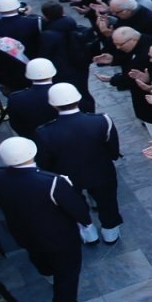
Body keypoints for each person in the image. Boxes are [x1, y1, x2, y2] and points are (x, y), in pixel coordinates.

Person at [0, 137, 92, 302]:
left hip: (21, 230)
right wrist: (85, 221)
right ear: (32, 153)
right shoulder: (52, 182)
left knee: (37, 255)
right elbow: (77, 208)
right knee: (68, 270)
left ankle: (47, 274)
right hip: (59, 237)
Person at [34, 83, 122, 245]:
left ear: (53, 104)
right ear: (79, 99)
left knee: (76, 204)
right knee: (107, 201)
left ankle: (89, 233)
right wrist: (110, 157)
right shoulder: (102, 120)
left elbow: (45, 160)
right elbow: (112, 146)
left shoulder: (44, 132)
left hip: (68, 175)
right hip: (101, 170)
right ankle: (110, 231)